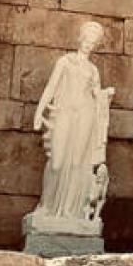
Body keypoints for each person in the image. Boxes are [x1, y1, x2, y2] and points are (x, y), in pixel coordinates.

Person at [31, 21, 115, 222]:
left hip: (86, 115)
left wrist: (106, 95)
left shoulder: (93, 70)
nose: (89, 44)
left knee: (79, 163)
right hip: (64, 112)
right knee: (57, 162)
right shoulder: (65, 61)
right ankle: (47, 207)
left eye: (93, 42)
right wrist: (39, 111)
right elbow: (51, 87)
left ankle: (71, 213)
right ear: (80, 39)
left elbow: (96, 96)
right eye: (87, 39)